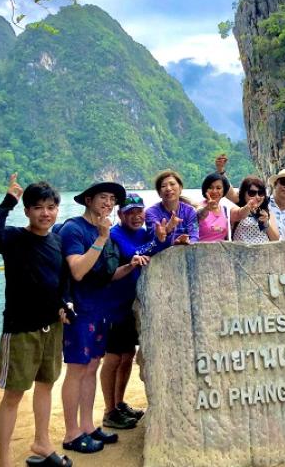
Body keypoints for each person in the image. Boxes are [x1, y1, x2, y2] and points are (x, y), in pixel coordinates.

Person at [0, 174, 72, 467]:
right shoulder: (14, 238)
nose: (45, 213)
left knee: (46, 384)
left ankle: (42, 441)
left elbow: (61, 283)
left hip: (52, 328)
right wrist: (7, 202)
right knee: (13, 394)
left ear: (57, 210)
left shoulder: (57, 242)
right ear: (27, 211)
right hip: (21, 329)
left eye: (51, 207)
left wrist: (65, 305)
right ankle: (4, 459)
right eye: (38, 207)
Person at [59, 182, 144, 454]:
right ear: (88, 200)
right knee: (77, 370)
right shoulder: (74, 229)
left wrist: (129, 266)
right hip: (79, 311)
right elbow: (77, 271)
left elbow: (106, 275)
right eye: (103, 198)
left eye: (112, 199)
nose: (108, 203)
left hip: (100, 310)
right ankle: (71, 433)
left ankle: (87, 426)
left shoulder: (102, 231)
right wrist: (101, 238)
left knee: (92, 367)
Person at [100, 193, 161, 430]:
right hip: (113, 305)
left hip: (132, 304)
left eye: (139, 211)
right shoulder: (115, 234)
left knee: (127, 356)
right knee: (113, 357)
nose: (136, 216)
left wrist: (164, 236)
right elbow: (132, 252)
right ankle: (109, 411)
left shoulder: (144, 232)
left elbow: (156, 246)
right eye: (130, 212)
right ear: (120, 215)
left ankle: (119, 403)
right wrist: (157, 240)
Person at [145, 170, 199, 250]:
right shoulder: (151, 212)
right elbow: (153, 239)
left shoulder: (190, 211)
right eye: (163, 186)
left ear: (180, 188)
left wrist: (188, 242)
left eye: (172, 184)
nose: (168, 188)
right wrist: (167, 230)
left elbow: (194, 236)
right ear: (159, 193)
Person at [231, 176, 280, 243]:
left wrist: (266, 223)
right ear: (243, 194)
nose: (257, 197)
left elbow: (275, 240)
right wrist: (247, 208)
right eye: (252, 193)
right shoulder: (236, 211)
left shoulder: (267, 213)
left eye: (260, 193)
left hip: (264, 249)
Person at [197, 172, 232, 242]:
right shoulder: (198, 207)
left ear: (224, 190)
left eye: (218, 188)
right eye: (210, 188)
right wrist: (207, 209)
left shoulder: (224, 209)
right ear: (205, 189)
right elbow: (200, 215)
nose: (214, 191)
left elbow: (226, 237)